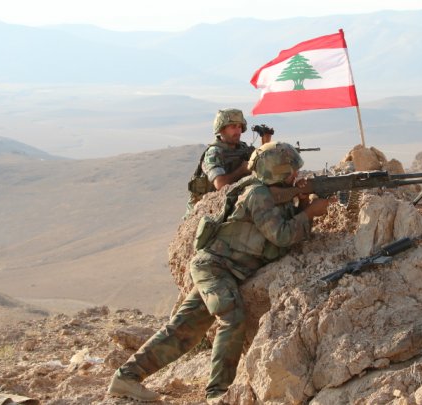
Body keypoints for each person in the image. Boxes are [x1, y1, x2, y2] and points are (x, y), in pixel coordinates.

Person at [108, 141, 331, 402]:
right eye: (291, 171)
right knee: (232, 317)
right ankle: (217, 393)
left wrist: (302, 205)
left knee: (183, 330)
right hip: (215, 268)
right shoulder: (258, 194)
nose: (297, 175)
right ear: (277, 172)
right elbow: (281, 236)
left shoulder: (274, 193)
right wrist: (311, 213)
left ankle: (127, 377)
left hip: (224, 271)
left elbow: (281, 227)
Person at [185, 108, 255, 219]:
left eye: (239, 127)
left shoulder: (243, 148)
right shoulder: (214, 153)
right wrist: (241, 170)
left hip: (231, 202)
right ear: (221, 129)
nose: (238, 131)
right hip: (207, 210)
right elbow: (220, 184)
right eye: (233, 127)